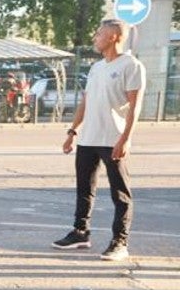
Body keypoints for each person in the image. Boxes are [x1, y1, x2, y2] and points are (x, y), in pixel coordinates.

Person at [52, 18, 144, 262]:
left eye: (99, 34)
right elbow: (86, 101)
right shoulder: (97, 67)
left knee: (120, 193)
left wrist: (125, 139)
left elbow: (135, 106)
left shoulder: (131, 65)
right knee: (84, 189)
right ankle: (80, 232)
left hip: (113, 138)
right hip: (88, 139)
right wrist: (72, 132)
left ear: (113, 37)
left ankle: (120, 242)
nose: (95, 37)